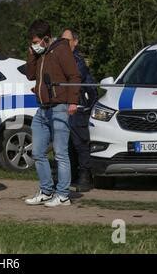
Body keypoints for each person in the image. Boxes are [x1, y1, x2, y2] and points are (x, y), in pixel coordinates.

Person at [24, 20, 81, 207]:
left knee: (60, 153)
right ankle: (46, 190)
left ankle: (63, 194)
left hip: (60, 107)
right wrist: (31, 55)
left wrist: (73, 101)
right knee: (38, 152)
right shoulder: (40, 54)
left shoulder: (61, 50)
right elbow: (30, 75)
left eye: (36, 42)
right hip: (43, 108)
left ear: (47, 39)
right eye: (32, 42)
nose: (34, 45)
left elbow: (74, 76)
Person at [61, 29, 98, 192]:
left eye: (67, 41)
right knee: (66, 143)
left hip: (80, 106)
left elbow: (74, 77)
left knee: (80, 142)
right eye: (61, 41)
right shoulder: (60, 59)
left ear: (75, 42)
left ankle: (85, 175)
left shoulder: (77, 61)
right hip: (65, 106)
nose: (64, 45)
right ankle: (71, 175)